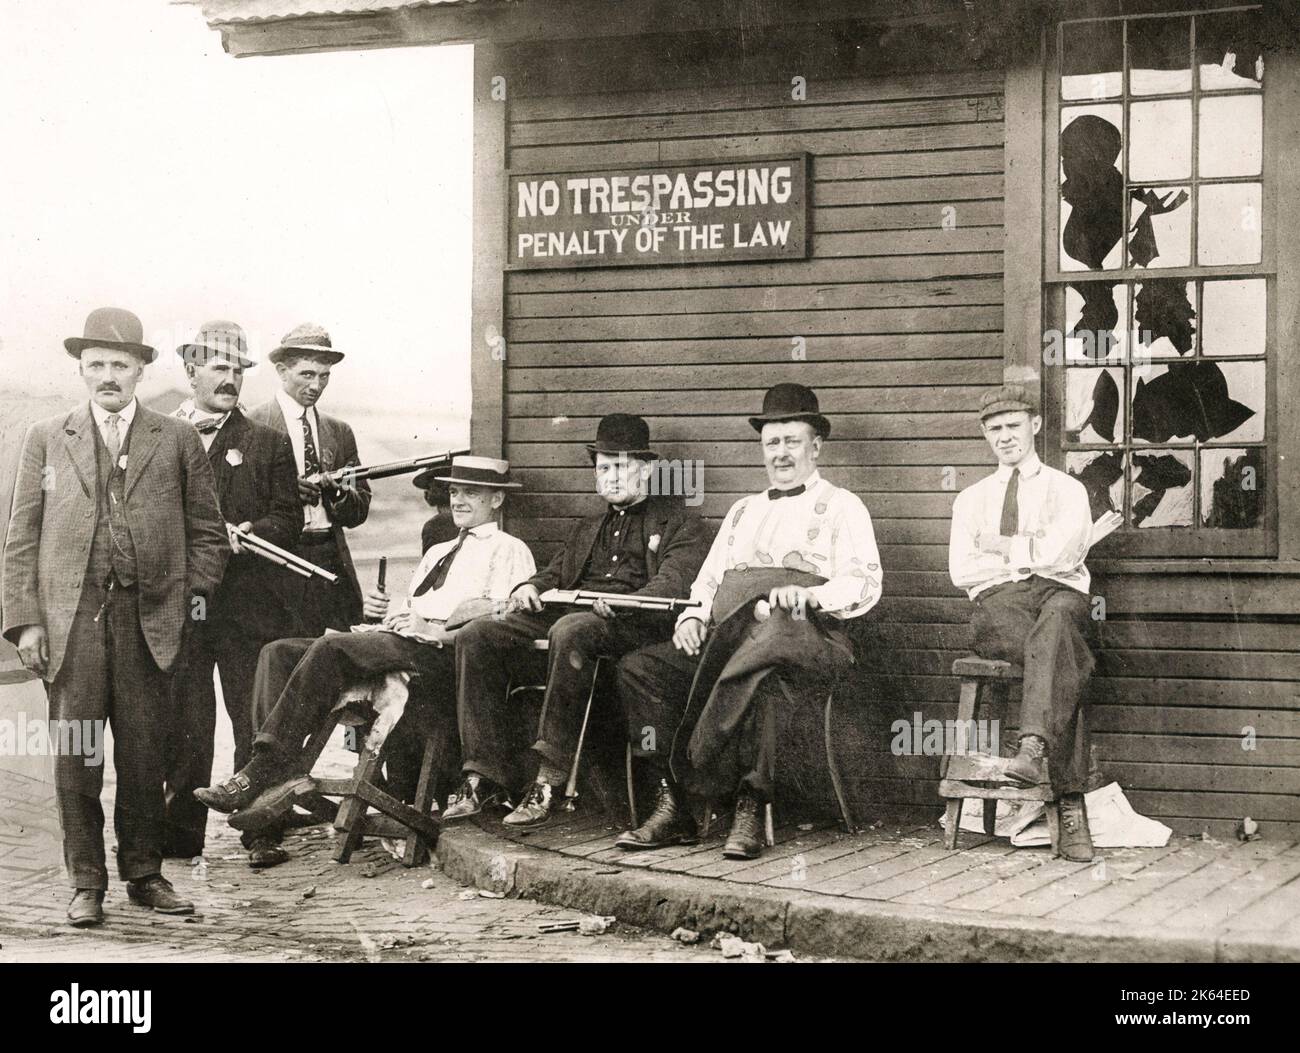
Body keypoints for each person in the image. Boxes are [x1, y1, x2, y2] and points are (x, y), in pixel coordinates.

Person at [2, 307, 228, 927]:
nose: (108, 375)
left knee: (145, 755)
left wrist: (188, 602)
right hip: (72, 625)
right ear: (81, 369)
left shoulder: (176, 439)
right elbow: (21, 536)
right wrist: (25, 622)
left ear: (141, 370)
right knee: (77, 757)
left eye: (120, 365)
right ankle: (86, 882)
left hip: (151, 620)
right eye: (97, 364)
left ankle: (144, 874)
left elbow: (209, 535)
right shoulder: (49, 436)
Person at [193, 456, 535, 845]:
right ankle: (276, 771)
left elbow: (499, 617)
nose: (457, 500)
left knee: (331, 647)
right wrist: (386, 617)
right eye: (454, 491)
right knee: (278, 652)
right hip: (401, 646)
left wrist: (433, 629)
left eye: (470, 493)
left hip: (441, 662)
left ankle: (261, 770)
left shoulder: (509, 549)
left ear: (497, 501)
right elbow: (413, 608)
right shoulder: (438, 550)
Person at [615, 384, 882, 860]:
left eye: (792, 441)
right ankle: (673, 800)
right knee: (641, 668)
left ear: (815, 446)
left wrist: (809, 595)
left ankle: (749, 803)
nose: (781, 453)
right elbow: (708, 579)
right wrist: (694, 616)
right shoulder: (743, 511)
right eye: (772, 443)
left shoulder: (844, 505)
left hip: (804, 634)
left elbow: (865, 582)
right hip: (728, 636)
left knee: (768, 666)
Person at [444, 414, 709, 828]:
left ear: (646, 470)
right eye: (604, 468)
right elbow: (554, 574)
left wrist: (622, 604)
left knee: (570, 628)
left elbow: (672, 584)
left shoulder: (679, 523)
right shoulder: (588, 527)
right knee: (479, 634)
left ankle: (549, 780)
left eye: (621, 467)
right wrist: (528, 587)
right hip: (572, 622)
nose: (612, 478)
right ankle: (482, 776)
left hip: (632, 630)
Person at [160, 321, 301, 859]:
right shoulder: (160, 434)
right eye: (219, 368)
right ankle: (180, 836)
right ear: (191, 370)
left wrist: (248, 536)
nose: (230, 380)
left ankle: (260, 830)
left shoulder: (266, 443)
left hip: (248, 605)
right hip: (188, 604)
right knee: (186, 719)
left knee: (252, 717)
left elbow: (288, 518)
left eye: (238, 370)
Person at [948, 384, 1097, 862]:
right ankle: (1070, 806)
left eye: (1014, 426)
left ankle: (1033, 750)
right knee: (1058, 656)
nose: (1005, 437)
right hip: (1000, 606)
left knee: (1057, 628)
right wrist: (1030, 554)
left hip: (1061, 598)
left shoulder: (1067, 489)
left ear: (1034, 425)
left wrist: (1001, 547)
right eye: (995, 430)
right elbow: (962, 570)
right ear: (985, 435)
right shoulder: (970, 500)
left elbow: (1066, 554)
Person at [248, 323, 370, 635]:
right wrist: (284, 493)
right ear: (281, 370)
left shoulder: (339, 432)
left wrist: (337, 494)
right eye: (307, 374)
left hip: (330, 558)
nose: (317, 385)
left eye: (324, 375)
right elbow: (237, 505)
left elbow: (360, 510)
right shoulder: (251, 426)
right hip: (276, 561)